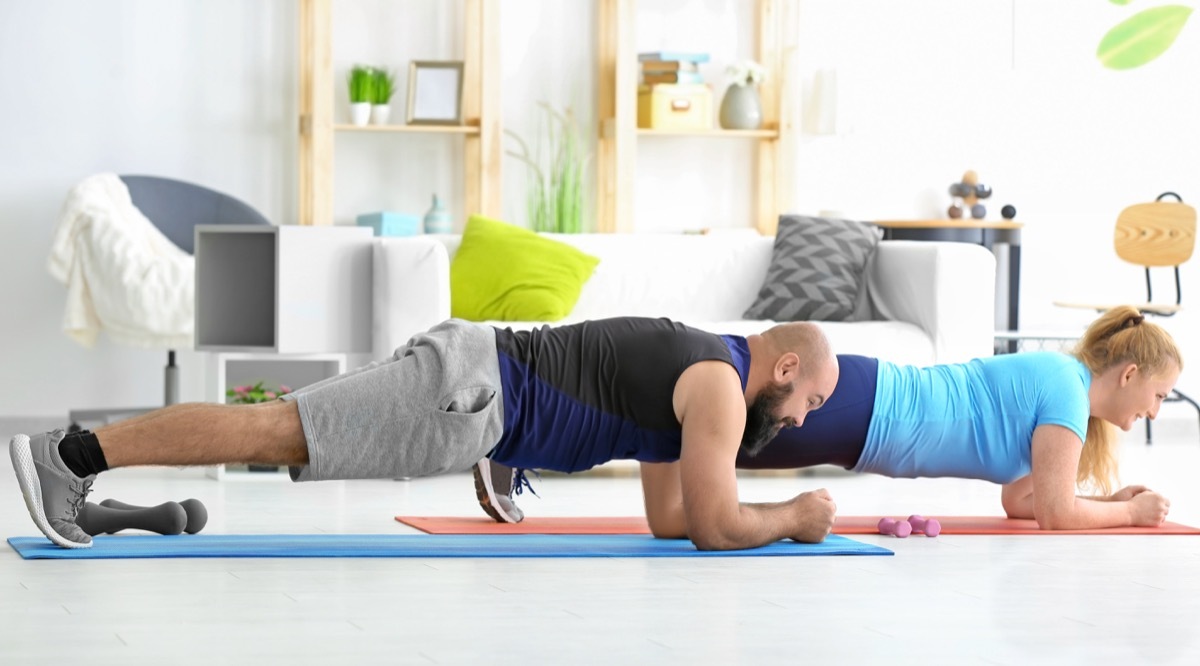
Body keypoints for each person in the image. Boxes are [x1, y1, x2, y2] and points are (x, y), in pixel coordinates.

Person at [9, 316, 841, 550]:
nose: (805, 419)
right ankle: (66, 455)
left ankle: (503, 457)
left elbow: (672, 517)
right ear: (786, 368)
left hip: (478, 389)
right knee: (272, 432)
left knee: (278, 432)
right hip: (473, 394)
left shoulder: (705, 373)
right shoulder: (723, 390)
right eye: (811, 401)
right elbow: (715, 528)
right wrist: (797, 516)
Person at [478, 306, 1178, 532]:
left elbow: (1024, 500)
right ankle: (517, 432)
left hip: (865, 422)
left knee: (692, 453)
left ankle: (521, 436)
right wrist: (1133, 514)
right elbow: (1055, 514)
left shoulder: (1064, 399)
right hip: (867, 410)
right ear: (1129, 374)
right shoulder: (1063, 385)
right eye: (1159, 394)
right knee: (708, 429)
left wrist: (1107, 499)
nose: (1154, 410)